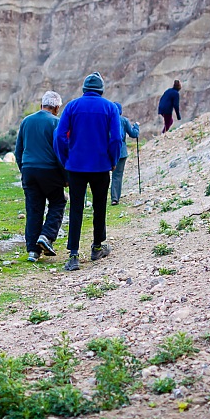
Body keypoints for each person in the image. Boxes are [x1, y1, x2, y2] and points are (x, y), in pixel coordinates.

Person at [54, 72, 122, 271]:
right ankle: (97, 247)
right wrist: (113, 160)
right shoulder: (110, 107)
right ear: (101, 89)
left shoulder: (72, 106)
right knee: (99, 206)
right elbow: (116, 139)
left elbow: (59, 136)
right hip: (101, 166)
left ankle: (73, 255)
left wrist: (66, 158)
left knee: (76, 208)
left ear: (84, 88)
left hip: (75, 166)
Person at [14, 91, 66, 262]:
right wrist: (65, 177)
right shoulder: (56, 123)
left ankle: (33, 252)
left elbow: (18, 150)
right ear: (57, 108)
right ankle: (47, 236)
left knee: (33, 209)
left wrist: (24, 169)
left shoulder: (26, 121)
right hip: (49, 170)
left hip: (29, 170)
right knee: (58, 201)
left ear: (41, 105)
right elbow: (60, 152)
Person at [110, 102, 139, 206]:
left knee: (103, 175)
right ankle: (115, 198)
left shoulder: (106, 120)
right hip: (121, 152)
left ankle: (100, 197)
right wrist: (136, 126)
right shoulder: (124, 120)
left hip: (107, 152)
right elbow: (134, 134)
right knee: (117, 175)